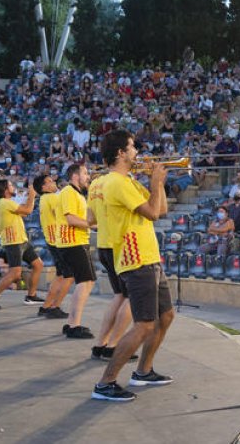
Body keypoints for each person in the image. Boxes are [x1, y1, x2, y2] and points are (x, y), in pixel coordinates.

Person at [93, 129, 173, 402]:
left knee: (166, 316)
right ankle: (106, 382)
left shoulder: (116, 181)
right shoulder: (118, 183)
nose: (137, 152)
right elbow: (152, 212)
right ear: (120, 153)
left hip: (147, 257)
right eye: (132, 147)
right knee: (143, 325)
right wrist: (154, 183)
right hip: (136, 259)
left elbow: (160, 210)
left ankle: (143, 371)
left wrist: (158, 184)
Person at [89, 168, 134, 362]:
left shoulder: (94, 184)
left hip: (104, 243)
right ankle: (113, 346)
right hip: (120, 244)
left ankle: (101, 344)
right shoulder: (120, 182)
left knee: (120, 295)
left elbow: (91, 220)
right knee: (133, 296)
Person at [0, 178, 42, 310]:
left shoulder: (7, 202)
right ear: (5, 190)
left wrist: (27, 199)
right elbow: (28, 211)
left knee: (38, 265)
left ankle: (31, 296)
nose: (13, 187)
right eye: (10, 185)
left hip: (21, 240)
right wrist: (32, 195)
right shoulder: (3, 202)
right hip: (13, 241)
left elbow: (24, 213)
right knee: (15, 273)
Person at [57, 164, 96, 339]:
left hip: (78, 241)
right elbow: (71, 219)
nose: (88, 176)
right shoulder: (68, 192)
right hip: (72, 242)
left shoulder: (78, 194)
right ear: (75, 176)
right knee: (85, 281)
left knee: (87, 282)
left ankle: (72, 322)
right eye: (85, 173)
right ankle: (74, 325)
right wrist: (96, 225)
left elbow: (83, 219)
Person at [34, 173, 71, 319]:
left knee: (61, 275)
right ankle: (55, 307)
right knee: (69, 275)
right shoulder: (53, 198)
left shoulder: (44, 199)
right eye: (49, 181)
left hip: (52, 240)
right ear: (44, 187)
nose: (53, 182)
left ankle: (46, 306)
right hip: (59, 240)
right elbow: (64, 215)